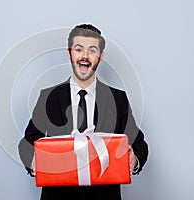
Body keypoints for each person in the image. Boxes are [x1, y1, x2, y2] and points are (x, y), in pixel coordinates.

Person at [18, 24, 148, 200]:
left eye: (92, 50)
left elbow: (139, 142)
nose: (85, 56)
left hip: (104, 195)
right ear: (69, 53)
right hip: (58, 196)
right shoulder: (49, 97)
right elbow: (27, 142)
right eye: (79, 49)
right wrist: (37, 163)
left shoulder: (118, 99)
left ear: (101, 57)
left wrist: (133, 159)